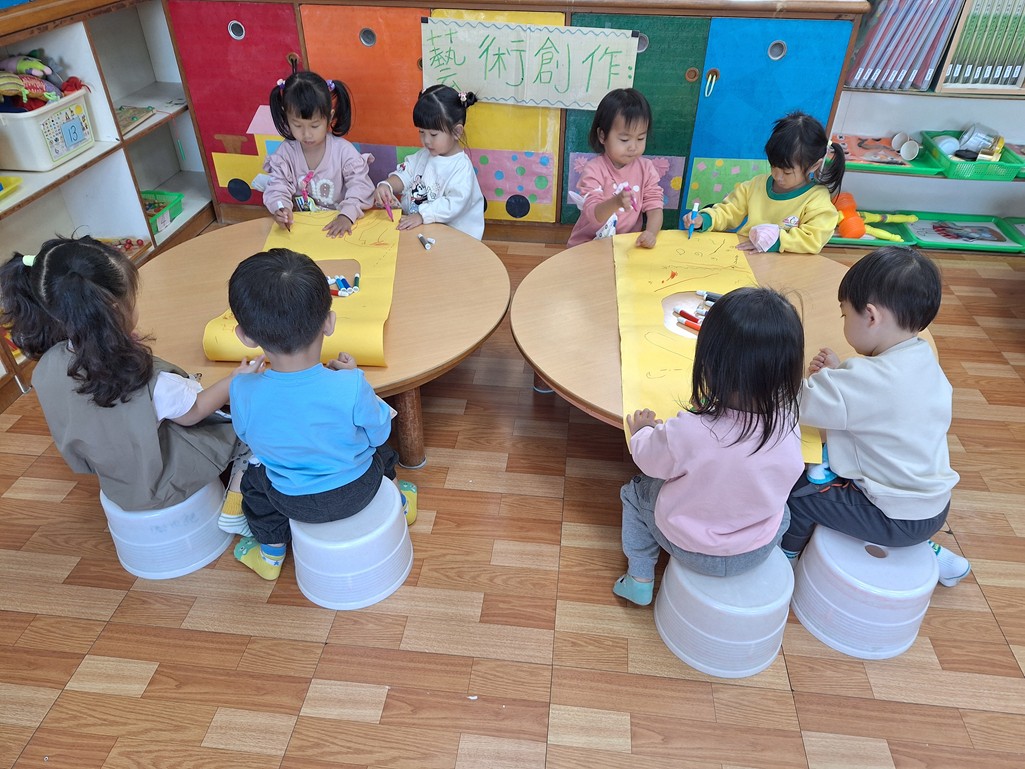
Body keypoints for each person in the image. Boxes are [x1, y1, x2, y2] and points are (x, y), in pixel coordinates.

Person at [0, 236, 260, 518]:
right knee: (250, 428)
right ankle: (236, 503)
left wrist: (116, 334)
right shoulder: (147, 379)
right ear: (116, 310)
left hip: (115, 478)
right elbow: (193, 412)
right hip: (161, 483)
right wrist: (235, 380)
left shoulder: (46, 367)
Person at [783, 246, 969, 587]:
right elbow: (877, 401)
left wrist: (759, 376)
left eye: (844, 315)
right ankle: (924, 548)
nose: (844, 323)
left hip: (894, 515)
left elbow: (799, 403)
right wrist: (840, 375)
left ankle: (785, 560)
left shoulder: (868, 381)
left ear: (870, 316)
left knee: (799, 495)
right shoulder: (922, 361)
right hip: (930, 505)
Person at [226, 248, 417, 581]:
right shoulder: (351, 385)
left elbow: (247, 436)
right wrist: (353, 378)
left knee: (254, 485)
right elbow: (379, 434)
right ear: (329, 322)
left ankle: (271, 554)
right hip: (360, 489)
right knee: (382, 451)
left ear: (245, 336)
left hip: (291, 501)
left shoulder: (241, 389)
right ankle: (400, 504)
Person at [613, 287, 805, 606]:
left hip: (691, 548)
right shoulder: (788, 423)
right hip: (758, 548)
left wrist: (643, 432)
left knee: (634, 493)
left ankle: (640, 577)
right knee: (782, 510)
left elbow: (648, 460)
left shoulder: (690, 430)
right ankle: (785, 558)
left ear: (710, 365)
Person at [682, 111, 845, 254]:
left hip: (786, 267)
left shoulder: (817, 199)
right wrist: (705, 219)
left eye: (787, 172)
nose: (777, 176)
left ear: (814, 165)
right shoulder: (756, 185)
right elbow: (729, 210)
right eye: (773, 166)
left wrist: (775, 242)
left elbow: (813, 239)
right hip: (746, 259)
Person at [261, 68, 374, 238]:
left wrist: (347, 215)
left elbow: (361, 187)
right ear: (286, 118)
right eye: (297, 125)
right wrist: (281, 208)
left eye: (314, 126)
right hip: (303, 230)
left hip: (341, 227)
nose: (306, 134)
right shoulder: (285, 153)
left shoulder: (344, 151)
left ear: (330, 117)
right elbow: (278, 186)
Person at [372, 85, 485, 240]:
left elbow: (454, 204)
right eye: (421, 132)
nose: (426, 140)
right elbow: (406, 173)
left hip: (455, 239)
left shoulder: (461, 168)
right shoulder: (424, 155)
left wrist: (422, 215)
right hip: (421, 230)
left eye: (433, 134)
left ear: (456, 132)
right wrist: (387, 185)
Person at [567, 87, 664, 249]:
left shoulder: (646, 169)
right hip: (588, 245)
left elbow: (655, 207)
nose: (633, 147)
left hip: (625, 245)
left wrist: (651, 233)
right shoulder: (594, 170)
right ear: (602, 135)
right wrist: (616, 202)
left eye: (641, 138)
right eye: (624, 140)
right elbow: (593, 214)